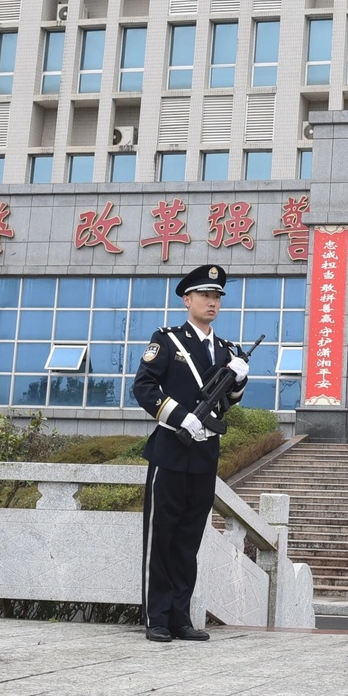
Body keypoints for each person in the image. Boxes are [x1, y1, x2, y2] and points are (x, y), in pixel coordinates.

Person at [133, 262, 249, 643]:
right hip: (170, 452)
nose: (212, 302)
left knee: (188, 539)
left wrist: (240, 379)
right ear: (187, 299)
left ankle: (180, 616)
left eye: (217, 297)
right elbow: (144, 388)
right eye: (204, 295)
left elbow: (227, 403)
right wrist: (181, 417)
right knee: (161, 536)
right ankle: (157, 617)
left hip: (203, 456)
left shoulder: (225, 350)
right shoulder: (166, 341)